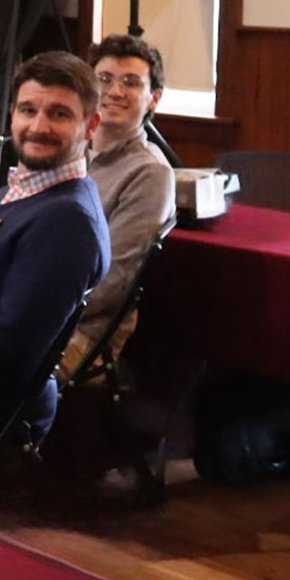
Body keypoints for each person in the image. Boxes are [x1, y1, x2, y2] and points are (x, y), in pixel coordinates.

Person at [0, 51, 111, 460]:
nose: (38, 126)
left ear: (90, 125)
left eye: (58, 114)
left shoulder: (67, 222)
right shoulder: (25, 190)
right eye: (28, 110)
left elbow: (6, 362)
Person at [59, 34, 176, 374]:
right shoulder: (67, 152)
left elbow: (112, 283)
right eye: (104, 79)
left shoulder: (149, 173)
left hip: (78, 334)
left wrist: (30, 309)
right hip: (35, 312)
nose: (114, 92)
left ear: (153, 98)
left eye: (130, 83)